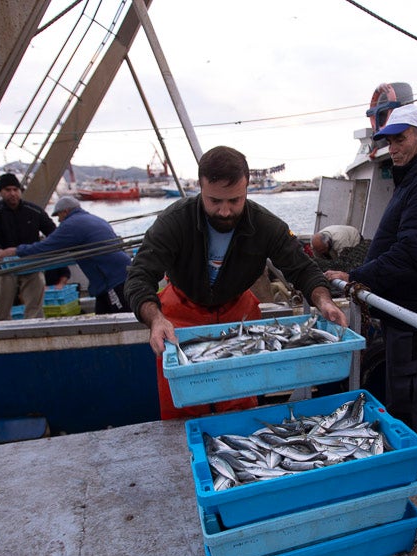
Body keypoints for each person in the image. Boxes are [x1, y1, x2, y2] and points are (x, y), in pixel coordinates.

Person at [125, 146, 347, 419]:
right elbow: (139, 276)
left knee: (239, 403)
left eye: (235, 201)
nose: (225, 210)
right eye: (215, 201)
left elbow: (302, 268)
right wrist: (155, 319)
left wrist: (323, 301)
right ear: (200, 187)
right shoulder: (174, 221)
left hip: (238, 316)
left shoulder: (266, 225)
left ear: (247, 189)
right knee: (183, 407)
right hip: (180, 317)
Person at [324, 104, 417, 478]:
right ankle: (408, 459)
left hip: (413, 310)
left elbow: (412, 252)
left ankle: (414, 466)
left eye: (401, 138)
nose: (395, 148)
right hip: (406, 307)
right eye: (389, 141)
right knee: (405, 387)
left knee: (409, 391)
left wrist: (358, 276)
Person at [0, 196, 133, 315]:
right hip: (115, 276)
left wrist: (16, 251)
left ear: (65, 211)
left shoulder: (71, 224)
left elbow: (45, 247)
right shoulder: (95, 219)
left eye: (59, 217)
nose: (59, 221)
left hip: (112, 280)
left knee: (122, 318)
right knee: (102, 319)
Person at [0, 173, 56, 320]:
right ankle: (2, 335)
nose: (12, 193)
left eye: (16, 189)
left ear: (20, 191)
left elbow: (52, 231)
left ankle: (35, 332)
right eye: (8, 190)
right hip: (3, 266)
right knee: (1, 308)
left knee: (35, 307)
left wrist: (46, 250)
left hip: (32, 263)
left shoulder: (34, 210)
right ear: (1, 192)